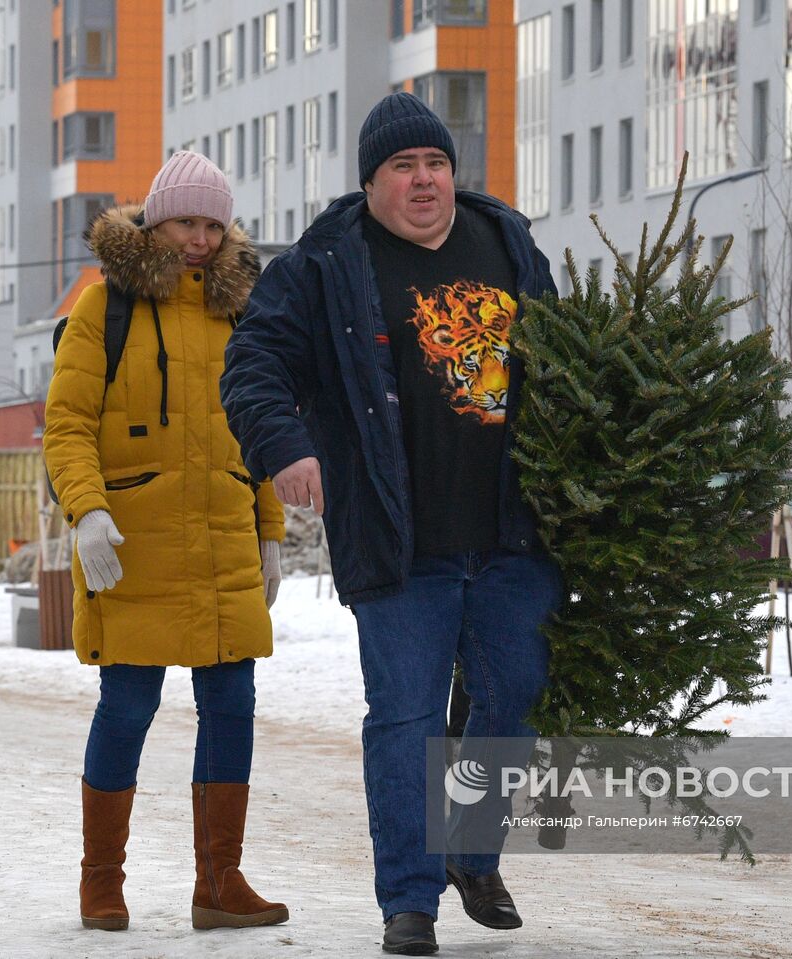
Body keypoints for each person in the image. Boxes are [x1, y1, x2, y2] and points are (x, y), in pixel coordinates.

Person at [222, 92, 562, 955]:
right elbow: (253, 361)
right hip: (400, 538)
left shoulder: (508, 242)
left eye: (435, 165)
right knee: (406, 716)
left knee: (511, 697)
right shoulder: (324, 263)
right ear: (371, 181)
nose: (423, 181)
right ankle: (408, 900)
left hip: (513, 532)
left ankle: (470, 853)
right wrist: (287, 446)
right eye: (403, 167)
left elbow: (567, 363)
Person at [43, 151, 289, 934]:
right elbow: (69, 425)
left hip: (223, 543)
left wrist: (271, 533)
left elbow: (257, 427)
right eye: (189, 220)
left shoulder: (241, 313)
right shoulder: (103, 308)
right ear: (156, 220)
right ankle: (100, 882)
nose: (201, 238)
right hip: (134, 545)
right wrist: (85, 512)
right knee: (127, 706)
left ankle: (220, 883)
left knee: (232, 706)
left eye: (215, 224)